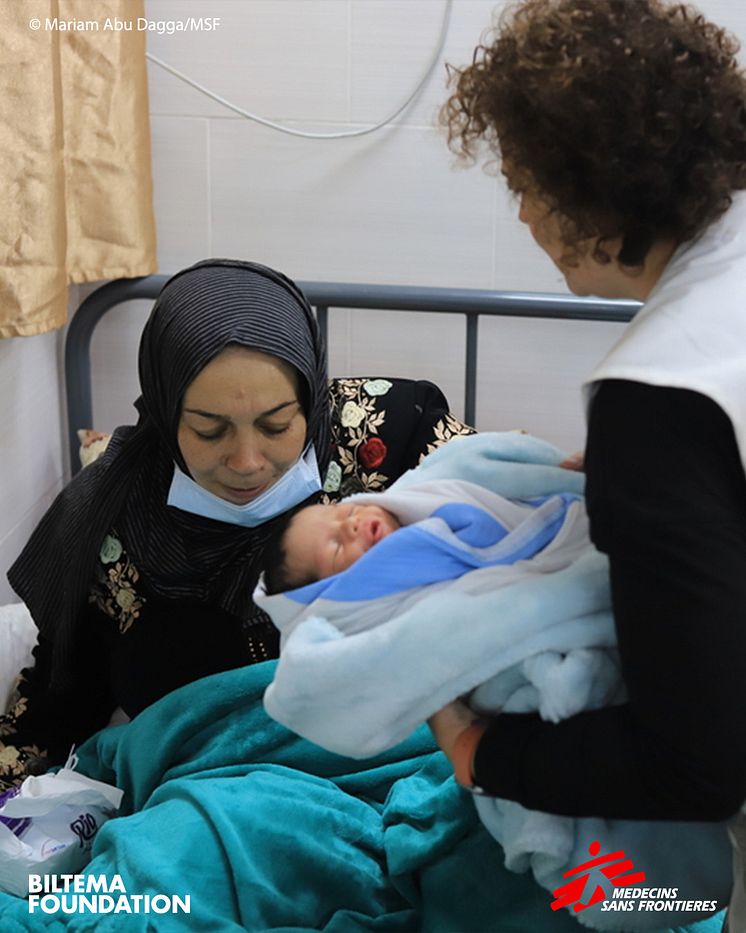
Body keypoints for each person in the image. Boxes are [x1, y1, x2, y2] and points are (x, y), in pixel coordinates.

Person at [432, 0, 746, 926]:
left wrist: (479, 751)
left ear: (599, 192)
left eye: (529, 185)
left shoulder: (663, 394)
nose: (523, 212)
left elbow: (696, 761)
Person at [0, 258, 330, 789]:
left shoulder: (396, 444)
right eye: (208, 429)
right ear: (162, 406)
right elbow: (60, 697)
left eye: (277, 425)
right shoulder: (109, 522)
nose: (247, 461)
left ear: (311, 402)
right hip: (199, 806)